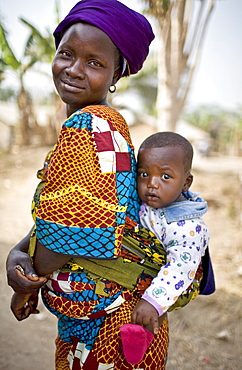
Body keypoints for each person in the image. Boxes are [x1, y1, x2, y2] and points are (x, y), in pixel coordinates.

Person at [6, 2, 215, 369]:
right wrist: (20, 248)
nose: (73, 69)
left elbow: (70, 231)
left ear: (117, 74)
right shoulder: (109, 125)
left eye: (95, 63)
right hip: (116, 322)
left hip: (106, 329)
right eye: (66, 54)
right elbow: (75, 207)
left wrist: (26, 279)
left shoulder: (88, 126)